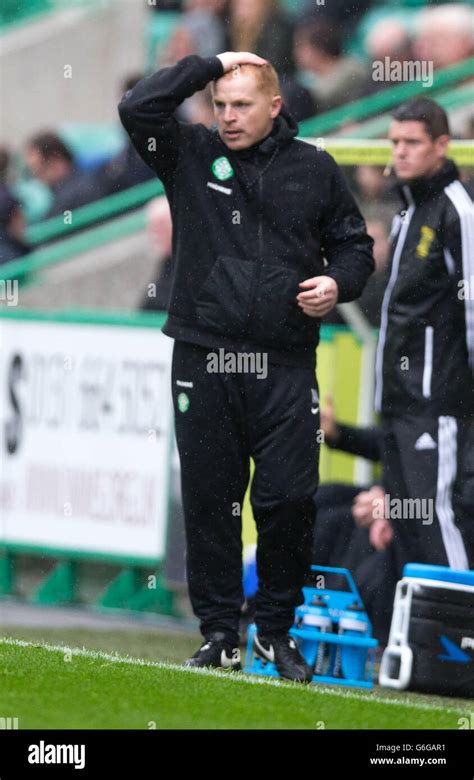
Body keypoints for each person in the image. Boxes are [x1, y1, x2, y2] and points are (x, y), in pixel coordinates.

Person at [118, 51, 374, 682]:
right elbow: (135, 107)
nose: (227, 117)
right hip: (202, 357)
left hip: (284, 364)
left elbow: (355, 246)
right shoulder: (189, 152)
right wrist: (211, 63)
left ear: (275, 106)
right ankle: (218, 633)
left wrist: (337, 285)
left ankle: (275, 632)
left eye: (242, 105)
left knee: (290, 497)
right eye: (220, 104)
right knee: (211, 498)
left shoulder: (315, 167)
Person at [375, 97, 474, 575]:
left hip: (438, 404)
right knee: (406, 525)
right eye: (395, 142)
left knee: (439, 520)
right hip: (397, 401)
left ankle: (466, 638)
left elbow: (472, 308)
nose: (401, 153)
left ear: (442, 145)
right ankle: (423, 645)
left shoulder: (460, 211)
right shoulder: (404, 215)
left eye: (412, 142)